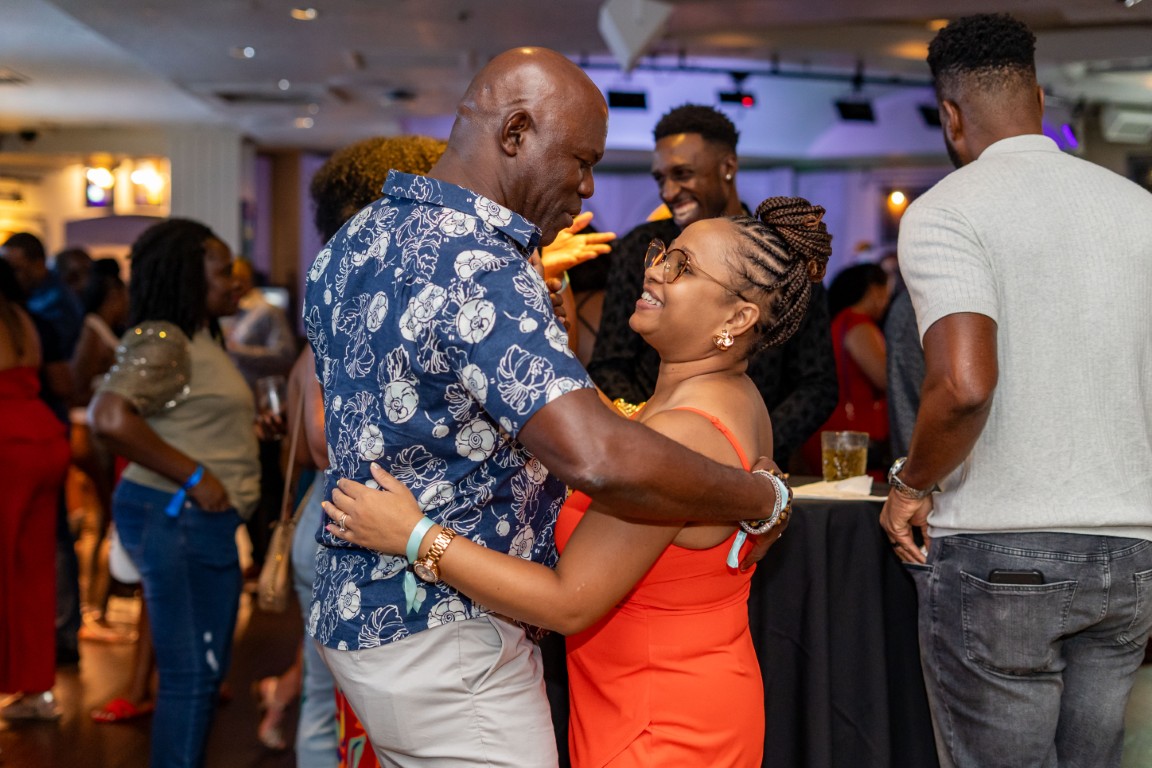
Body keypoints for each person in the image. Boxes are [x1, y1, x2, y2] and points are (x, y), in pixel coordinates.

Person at [302, 47, 789, 767]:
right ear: (516, 133)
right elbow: (597, 457)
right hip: (447, 635)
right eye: (581, 160)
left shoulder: (356, 239)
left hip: (364, 616)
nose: (587, 186)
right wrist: (760, 497)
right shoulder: (479, 266)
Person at [879, 14, 1152, 768]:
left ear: (950, 115)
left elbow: (964, 385)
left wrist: (910, 484)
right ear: (1037, 98)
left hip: (1000, 553)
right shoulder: (1140, 210)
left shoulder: (949, 210)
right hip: (1131, 552)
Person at [89, 218, 260, 768]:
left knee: (203, 674)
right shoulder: (166, 338)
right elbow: (108, 417)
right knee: (190, 677)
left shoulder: (198, 337)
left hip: (194, 519)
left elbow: (185, 420)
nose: (236, 281)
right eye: (223, 271)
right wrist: (194, 476)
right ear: (188, 275)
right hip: (177, 516)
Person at [587, 104, 837, 465]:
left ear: (727, 167)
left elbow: (817, 383)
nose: (669, 192)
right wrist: (647, 429)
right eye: (660, 178)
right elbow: (610, 363)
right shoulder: (639, 247)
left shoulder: (780, 264)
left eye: (682, 174)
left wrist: (745, 452)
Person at [1, 232, 84, 667]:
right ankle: (37, 670)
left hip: (10, 441)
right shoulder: (27, 317)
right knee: (41, 555)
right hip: (43, 435)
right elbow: (62, 380)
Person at [799, 262, 890, 474]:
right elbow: (884, 378)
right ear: (874, 290)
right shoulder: (859, 325)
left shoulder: (840, 321)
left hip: (833, 428)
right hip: (854, 434)